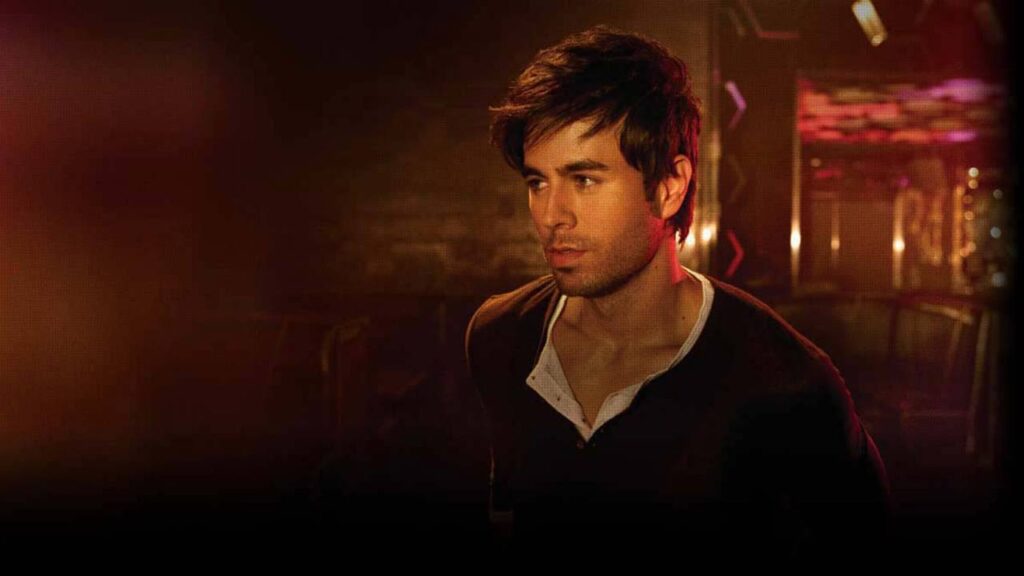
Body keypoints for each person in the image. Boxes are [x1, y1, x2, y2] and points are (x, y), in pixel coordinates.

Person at [464, 26, 891, 560]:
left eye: (584, 179)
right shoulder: (500, 336)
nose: (552, 216)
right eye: (537, 182)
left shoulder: (784, 381)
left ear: (669, 186)